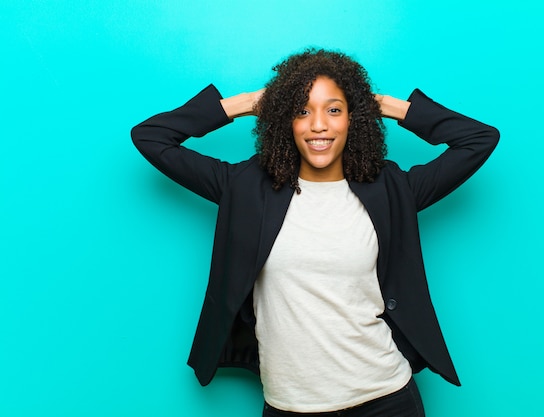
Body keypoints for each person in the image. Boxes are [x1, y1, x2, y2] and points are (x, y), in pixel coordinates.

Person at [131, 48, 499, 417]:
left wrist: (384, 104)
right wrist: (245, 103)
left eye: (335, 110)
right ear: (283, 120)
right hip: (289, 405)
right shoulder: (243, 188)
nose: (318, 125)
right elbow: (151, 137)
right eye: (301, 110)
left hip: (386, 398)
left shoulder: (392, 189)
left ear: (353, 119)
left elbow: (479, 139)